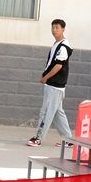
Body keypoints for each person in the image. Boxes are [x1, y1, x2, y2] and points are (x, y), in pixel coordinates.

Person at [27, 18, 74, 147]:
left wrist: (45, 77)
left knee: (46, 113)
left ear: (63, 29)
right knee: (58, 113)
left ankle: (38, 138)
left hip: (55, 86)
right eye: (52, 27)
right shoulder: (57, 44)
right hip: (54, 86)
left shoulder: (63, 47)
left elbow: (58, 66)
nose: (54, 30)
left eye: (57, 27)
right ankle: (69, 140)